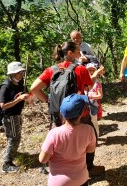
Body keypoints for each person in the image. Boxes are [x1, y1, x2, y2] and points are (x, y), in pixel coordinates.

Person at [30, 41, 105, 176]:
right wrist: (95, 75)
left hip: (59, 113)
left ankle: (66, 170)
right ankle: (88, 168)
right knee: (90, 137)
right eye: (77, 51)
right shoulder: (80, 69)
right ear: (70, 53)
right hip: (80, 113)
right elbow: (90, 85)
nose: (80, 54)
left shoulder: (51, 70)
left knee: (63, 140)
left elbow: (34, 88)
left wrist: (48, 100)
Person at [39, 93, 96, 186]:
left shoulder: (54, 134)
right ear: (81, 113)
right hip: (81, 179)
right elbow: (91, 150)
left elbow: (43, 159)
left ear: (61, 113)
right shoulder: (89, 130)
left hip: (59, 182)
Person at [0, 61, 30, 173]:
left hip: (17, 115)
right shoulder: (6, 86)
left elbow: (17, 98)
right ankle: (6, 164)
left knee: (15, 137)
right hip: (10, 116)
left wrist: (24, 98)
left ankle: (12, 153)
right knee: (14, 138)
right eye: (18, 72)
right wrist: (19, 99)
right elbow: (3, 106)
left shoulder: (19, 84)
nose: (21, 74)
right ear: (11, 74)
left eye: (22, 72)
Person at [86, 62, 103, 136]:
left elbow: (100, 95)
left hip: (93, 104)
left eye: (93, 70)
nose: (91, 72)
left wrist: (91, 97)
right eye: (89, 70)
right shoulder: (84, 82)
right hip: (84, 104)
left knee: (94, 121)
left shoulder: (97, 83)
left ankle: (96, 137)